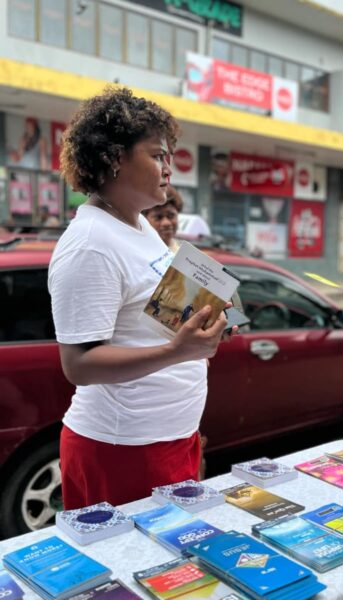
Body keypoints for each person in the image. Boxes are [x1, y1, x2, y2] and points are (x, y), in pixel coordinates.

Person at [48, 87, 232, 510]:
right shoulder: (90, 244)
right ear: (113, 158)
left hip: (174, 435)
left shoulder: (140, 226)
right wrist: (176, 350)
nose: (169, 168)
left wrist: (205, 321)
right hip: (122, 447)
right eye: (157, 155)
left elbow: (153, 314)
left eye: (170, 156)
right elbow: (78, 364)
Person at [142, 185, 183, 252]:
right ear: (144, 219)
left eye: (171, 216)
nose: (166, 223)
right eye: (158, 217)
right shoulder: (139, 252)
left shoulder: (185, 254)